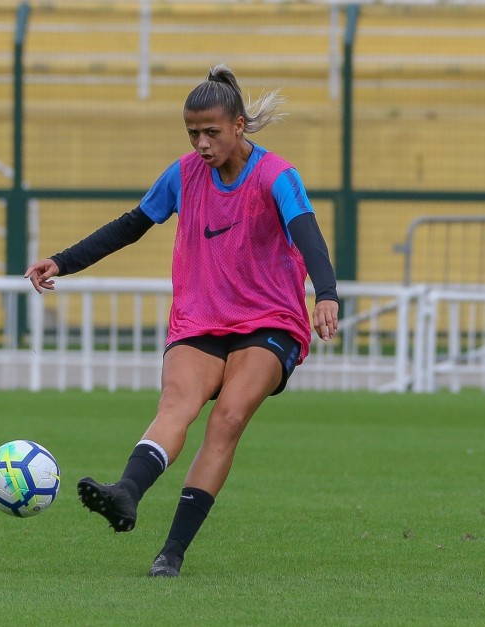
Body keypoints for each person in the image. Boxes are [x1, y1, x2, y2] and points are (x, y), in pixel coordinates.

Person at [24, 64, 339, 578]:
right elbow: (131, 226)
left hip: (270, 320)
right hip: (200, 319)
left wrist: (325, 295)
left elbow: (307, 234)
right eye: (192, 132)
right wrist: (62, 261)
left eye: (211, 131)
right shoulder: (184, 174)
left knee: (228, 417)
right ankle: (126, 493)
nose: (201, 143)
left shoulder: (276, 176)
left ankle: (171, 552)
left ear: (239, 125)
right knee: (176, 404)